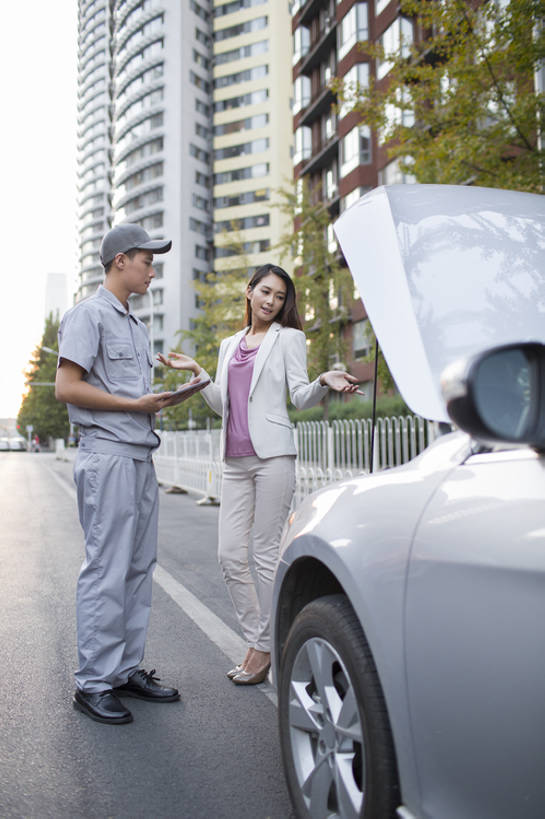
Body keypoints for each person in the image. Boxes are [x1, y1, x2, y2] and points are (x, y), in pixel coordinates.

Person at [158, 263, 360, 685]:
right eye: (265, 291)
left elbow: (300, 397)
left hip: (273, 458)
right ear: (249, 292)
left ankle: (263, 649)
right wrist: (200, 373)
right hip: (234, 460)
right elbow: (224, 403)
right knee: (230, 554)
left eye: (280, 296)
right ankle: (261, 639)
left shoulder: (289, 338)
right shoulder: (230, 344)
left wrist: (324, 379)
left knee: (266, 555)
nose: (271, 301)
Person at [55, 223, 184, 725]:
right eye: (147, 260)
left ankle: (124, 669)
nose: (152, 269)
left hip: (138, 455)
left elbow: (128, 399)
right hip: (106, 456)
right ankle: (92, 681)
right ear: (120, 261)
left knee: (136, 567)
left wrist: (158, 400)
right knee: (106, 568)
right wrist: (134, 403)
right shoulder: (88, 316)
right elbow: (67, 387)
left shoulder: (136, 325)